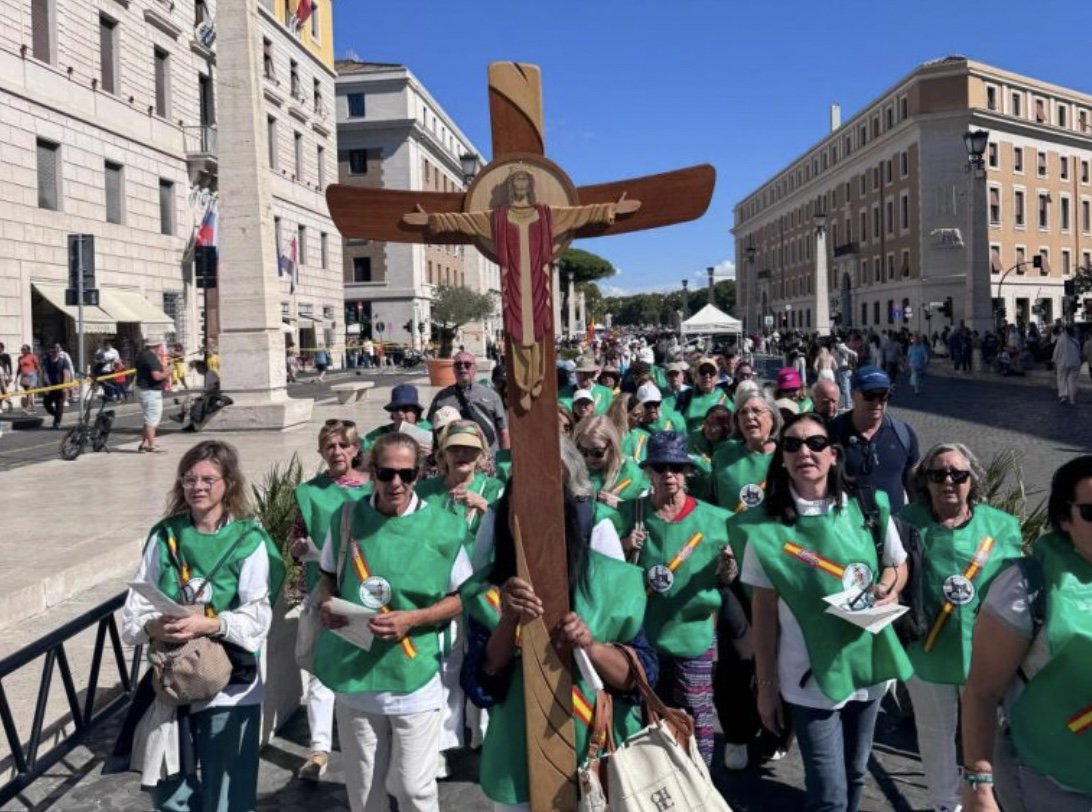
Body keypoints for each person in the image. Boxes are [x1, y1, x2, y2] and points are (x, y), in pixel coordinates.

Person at [461, 438, 656, 811]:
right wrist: (508, 622)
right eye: (522, 504)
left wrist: (591, 646)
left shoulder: (613, 581)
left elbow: (641, 677)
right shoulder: (486, 590)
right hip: (519, 755)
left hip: (600, 755)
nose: (534, 517)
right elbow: (482, 686)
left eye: (546, 503)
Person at [741, 412, 912, 812]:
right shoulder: (765, 528)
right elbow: (762, 615)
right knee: (828, 792)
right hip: (807, 674)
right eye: (792, 444)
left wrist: (887, 589)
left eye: (816, 443)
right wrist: (766, 688)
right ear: (782, 459)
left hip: (867, 663)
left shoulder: (867, 507)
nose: (805, 451)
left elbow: (897, 564)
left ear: (833, 455)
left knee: (855, 773)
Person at [119, 440, 285, 811]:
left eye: (208, 479)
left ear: (229, 484)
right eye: (189, 479)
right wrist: (154, 628)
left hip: (230, 683)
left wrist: (207, 624)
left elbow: (257, 616)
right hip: (174, 679)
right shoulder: (165, 536)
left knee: (227, 791)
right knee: (171, 791)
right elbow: (136, 606)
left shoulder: (248, 541)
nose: (198, 487)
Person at [313, 433, 472, 812]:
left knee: (413, 787)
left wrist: (414, 618)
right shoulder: (347, 518)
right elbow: (327, 575)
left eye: (407, 474)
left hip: (414, 671)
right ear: (372, 472)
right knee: (366, 793)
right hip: (356, 671)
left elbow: (463, 596)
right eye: (386, 473)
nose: (396, 483)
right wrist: (327, 603)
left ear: (419, 473)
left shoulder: (444, 527)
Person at [961, 455, 1092, 812]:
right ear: (1064, 518)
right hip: (1050, 780)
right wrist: (978, 784)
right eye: (1090, 512)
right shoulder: (1026, 587)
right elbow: (982, 691)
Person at [896, 442, 1023, 812]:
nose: (948, 481)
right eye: (937, 474)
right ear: (925, 481)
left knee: (984, 733)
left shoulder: (1001, 527)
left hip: (984, 653)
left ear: (973, 480)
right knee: (934, 732)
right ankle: (943, 803)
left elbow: (1016, 587)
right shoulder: (905, 522)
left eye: (958, 474)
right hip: (925, 652)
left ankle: (983, 799)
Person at [619, 432, 730, 766]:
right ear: (648, 472)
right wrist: (625, 546)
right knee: (646, 716)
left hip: (692, 634)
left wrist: (729, 565)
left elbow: (727, 580)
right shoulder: (628, 514)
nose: (669, 474)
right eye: (660, 467)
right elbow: (604, 566)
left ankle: (701, 779)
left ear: (688, 472)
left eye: (677, 467)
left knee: (696, 715)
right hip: (642, 635)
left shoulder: (717, 520)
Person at [415, 421, 504, 769]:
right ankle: (442, 745)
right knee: (446, 664)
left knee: (484, 658)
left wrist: (485, 507)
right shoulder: (426, 491)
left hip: (485, 591)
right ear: (443, 454)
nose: (462, 455)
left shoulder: (494, 488)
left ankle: (483, 734)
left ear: (481, 455)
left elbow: (510, 532)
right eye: (455, 448)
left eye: (470, 449)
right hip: (441, 590)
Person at [288, 419, 369, 782]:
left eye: (343, 445)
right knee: (322, 672)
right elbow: (295, 540)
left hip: (365, 593)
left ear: (355, 449)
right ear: (320, 451)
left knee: (361, 670)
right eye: (329, 446)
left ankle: (363, 743)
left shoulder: (375, 489)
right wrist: (299, 549)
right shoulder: (309, 493)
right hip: (323, 591)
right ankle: (319, 749)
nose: (336, 452)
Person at [828, 365, 920, 513]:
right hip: (847, 523)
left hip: (894, 523)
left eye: (884, 395)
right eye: (870, 395)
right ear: (852, 394)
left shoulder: (903, 434)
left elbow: (914, 484)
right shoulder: (832, 433)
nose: (877, 402)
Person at [712, 389, 781, 516]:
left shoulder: (788, 457)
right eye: (743, 412)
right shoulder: (722, 457)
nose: (749, 416)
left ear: (773, 417)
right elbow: (710, 504)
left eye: (756, 410)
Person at [572, 415, 649, 527]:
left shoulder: (630, 473)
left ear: (612, 446)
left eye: (597, 452)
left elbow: (646, 514)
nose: (589, 458)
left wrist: (621, 505)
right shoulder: (574, 470)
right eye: (583, 452)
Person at [427, 352, 509, 453]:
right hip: (453, 457)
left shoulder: (491, 396)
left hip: (487, 455)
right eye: (458, 365)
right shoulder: (441, 398)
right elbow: (430, 428)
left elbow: (503, 430)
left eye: (467, 364)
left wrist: (505, 458)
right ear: (453, 369)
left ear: (475, 368)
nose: (462, 368)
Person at [363, 384, 432, 452]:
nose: (400, 413)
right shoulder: (380, 433)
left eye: (405, 409)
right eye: (396, 409)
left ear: (416, 411)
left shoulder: (429, 431)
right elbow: (365, 447)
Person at [676, 357, 733, 433]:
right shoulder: (685, 396)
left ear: (717, 376)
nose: (707, 376)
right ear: (696, 375)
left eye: (711, 372)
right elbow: (675, 423)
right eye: (703, 372)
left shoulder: (727, 394)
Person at [135, 337, 170, 452]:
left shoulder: (141, 355)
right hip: (151, 391)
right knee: (152, 419)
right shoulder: (151, 357)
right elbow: (157, 376)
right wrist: (167, 372)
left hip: (142, 389)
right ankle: (152, 445)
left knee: (148, 417)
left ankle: (144, 443)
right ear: (157, 346)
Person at [40, 342, 73, 429]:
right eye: (53, 349)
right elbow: (44, 372)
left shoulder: (63, 361)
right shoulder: (47, 361)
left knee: (59, 405)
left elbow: (66, 374)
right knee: (47, 404)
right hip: (50, 386)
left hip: (60, 386)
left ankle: (57, 422)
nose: (55, 351)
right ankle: (56, 415)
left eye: (57, 349)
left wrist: (64, 387)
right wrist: (46, 385)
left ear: (59, 351)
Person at [1051, 324, 1081, 405]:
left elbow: (1056, 351)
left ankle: (1063, 396)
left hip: (1063, 363)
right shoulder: (1076, 340)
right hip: (1074, 363)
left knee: (1062, 379)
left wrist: (1054, 361)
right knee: (1072, 381)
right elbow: (1079, 352)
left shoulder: (1061, 339)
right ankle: (1072, 399)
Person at [832, 335, 859, 411]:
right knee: (847, 388)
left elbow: (853, 353)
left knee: (845, 388)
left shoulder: (840, 347)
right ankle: (848, 404)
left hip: (843, 369)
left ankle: (848, 405)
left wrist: (856, 357)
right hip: (845, 369)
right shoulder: (840, 347)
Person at [17, 345, 40, 412]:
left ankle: (27, 406)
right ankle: (33, 406)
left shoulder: (33, 356)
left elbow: (37, 366)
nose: (22, 350)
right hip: (24, 377)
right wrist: (16, 377)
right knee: (28, 393)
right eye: (22, 349)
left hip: (32, 376)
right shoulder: (20, 358)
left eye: (24, 349)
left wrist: (38, 375)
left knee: (29, 391)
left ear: (28, 350)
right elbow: (19, 368)